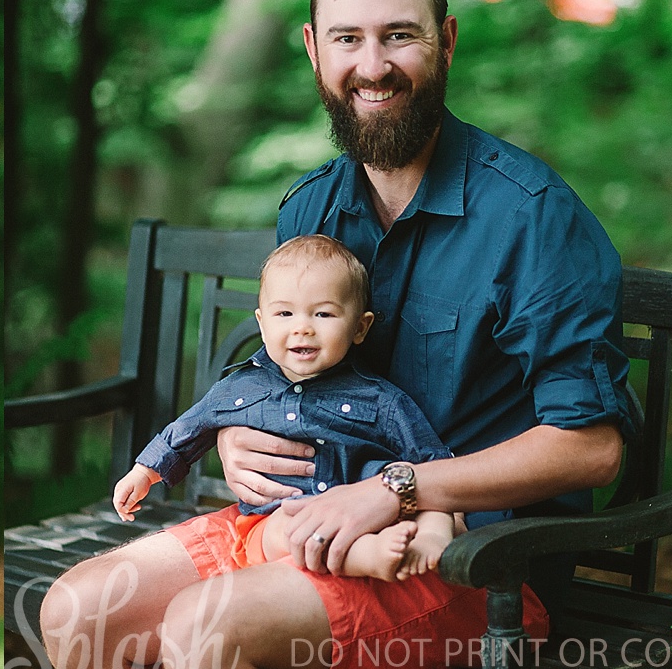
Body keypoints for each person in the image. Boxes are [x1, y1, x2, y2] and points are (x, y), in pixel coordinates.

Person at [40, 0, 635, 669]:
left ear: (444, 42)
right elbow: (274, 361)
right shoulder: (314, 205)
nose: (374, 65)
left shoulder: (530, 216)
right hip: (309, 525)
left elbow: (593, 443)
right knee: (78, 612)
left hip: (467, 561)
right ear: (311, 51)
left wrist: (400, 485)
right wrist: (236, 438)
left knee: (204, 629)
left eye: (398, 36)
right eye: (348, 39)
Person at [113, 234, 456, 583]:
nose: (302, 327)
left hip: (364, 510)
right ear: (262, 324)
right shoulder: (239, 389)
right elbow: (188, 430)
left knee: (406, 481)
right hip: (280, 516)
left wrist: (435, 514)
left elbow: (431, 462)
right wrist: (144, 473)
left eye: (323, 313)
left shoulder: (381, 398)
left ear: (359, 327)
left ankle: (432, 538)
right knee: (283, 529)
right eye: (285, 313)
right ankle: (369, 556)